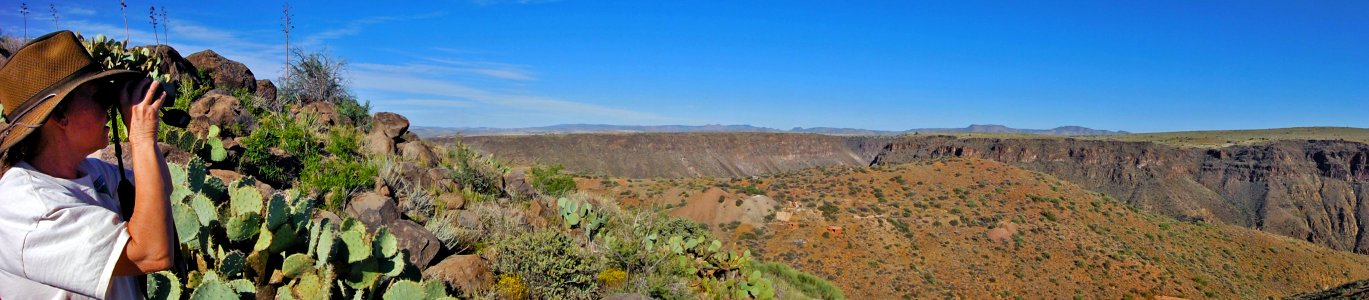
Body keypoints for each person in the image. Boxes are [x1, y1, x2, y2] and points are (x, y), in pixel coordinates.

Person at [0, 31, 174, 299]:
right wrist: (140, 138)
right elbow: (152, 253)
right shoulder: (29, 207)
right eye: (97, 95)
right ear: (59, 115)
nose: (108, 106)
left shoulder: (90, 170)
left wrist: (139, 131)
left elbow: (162, 189)